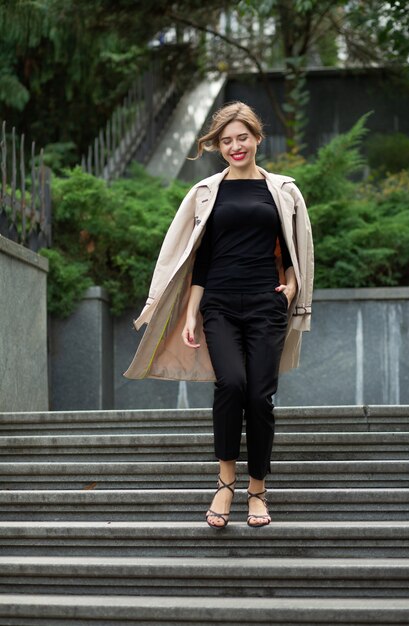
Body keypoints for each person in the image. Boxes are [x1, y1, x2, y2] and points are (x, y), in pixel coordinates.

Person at [124, 101, 314, 529]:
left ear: (257, 138)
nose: (235, 147)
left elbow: (295, 249)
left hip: (267, 304)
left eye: (242, 138)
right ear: (218, 146)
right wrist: (191, 314)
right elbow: (201, 259)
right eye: (226, 141)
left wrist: (292, 287)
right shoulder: (207, 191)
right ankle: (225, 484)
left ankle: (258, 490)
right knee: (230, 384)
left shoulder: (282, 190)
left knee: (259, 397)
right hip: (220, 304)